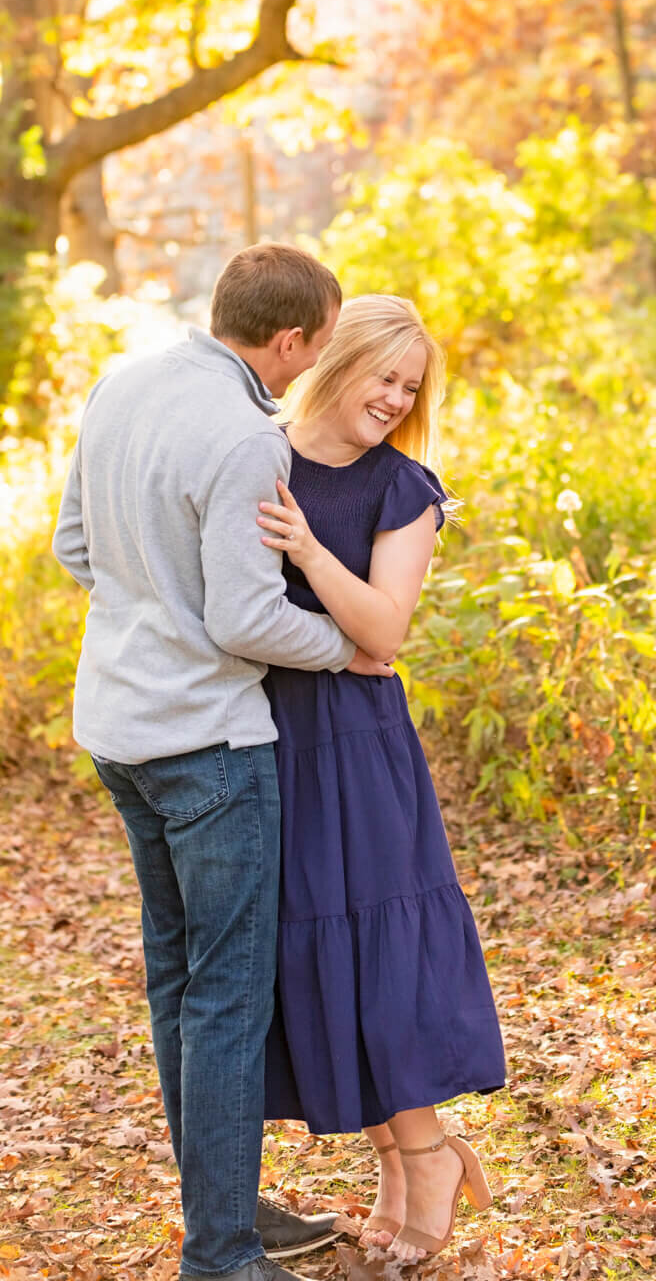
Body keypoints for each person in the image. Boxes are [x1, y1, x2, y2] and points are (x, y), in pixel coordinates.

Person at [52, 245, 392, 1281]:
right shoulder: (249, 437)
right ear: (286, 338)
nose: (317, 360)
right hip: (206, 744)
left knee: (177, 979)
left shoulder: (125, 379)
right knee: (227, 996)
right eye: (319, 342)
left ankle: (225, 1203)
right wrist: (350, 646)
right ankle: (223, 1252)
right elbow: (246, 619)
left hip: (118, 727)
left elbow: (76, 546)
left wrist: (149, 607)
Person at [255, 293, 505, 1264]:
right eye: (385, 377)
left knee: (377, 948)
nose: (396, 399)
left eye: (412, 387)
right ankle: (400, 1170)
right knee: (322, 952)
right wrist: (334, 632)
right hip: (265, 735)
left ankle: (430, 1153)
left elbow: (385, 629)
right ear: (339, 357)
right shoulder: (260, 450)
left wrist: (311, 549)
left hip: (356, 745)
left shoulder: (401, 486)